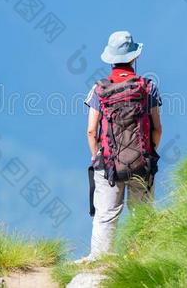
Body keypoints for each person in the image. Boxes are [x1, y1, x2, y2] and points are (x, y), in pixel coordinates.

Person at [77, 30, 162, 263]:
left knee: (105, 215)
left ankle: (99, 260)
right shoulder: (148, 87)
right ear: (134, 58)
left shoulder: (98, 90)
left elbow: (91, 131)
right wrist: (148, 153)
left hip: (108, 165)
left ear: (110, 58)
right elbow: (157, 128)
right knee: (141, 215)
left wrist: (98, 159)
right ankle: (142, 259)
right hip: (142, 164)